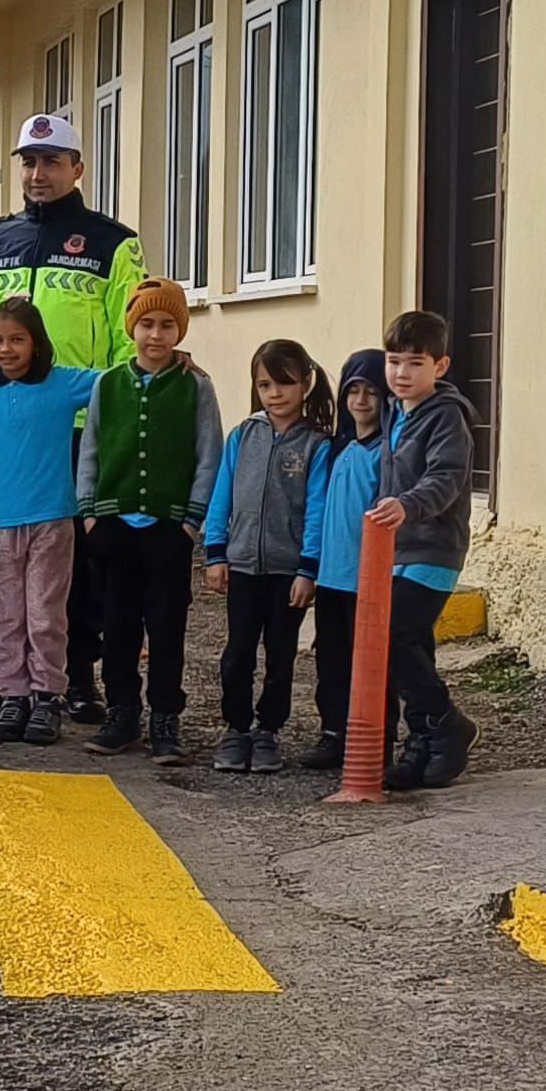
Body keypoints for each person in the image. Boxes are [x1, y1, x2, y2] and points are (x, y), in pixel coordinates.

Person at [0, 113, 144, 724]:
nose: (37, 173)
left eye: (51, 162)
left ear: (77, 169)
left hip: (79, 426)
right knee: (3, 558)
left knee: (74, 568)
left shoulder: (114, 242)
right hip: (5, 423)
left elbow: (127, 334)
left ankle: (74, 679)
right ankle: (8, 680)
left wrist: (129, 405)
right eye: (28, 163)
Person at [78, 278, 221, 764]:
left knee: (166, 627)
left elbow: (208, 454)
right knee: (117, 626)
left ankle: (166, 718)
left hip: (168, 527)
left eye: (165, 325)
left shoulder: (196, 386)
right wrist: (90, 514)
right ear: (132, 328)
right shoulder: (108, 383)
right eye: (146, 324)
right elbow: (91, 449)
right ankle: (122, 712)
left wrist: (191, 521)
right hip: (115, 526)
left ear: (178, 331)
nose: (155, 335)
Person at [205, 340, 335, 775]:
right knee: (237, 652)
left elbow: (317, 509)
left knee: (280, 654)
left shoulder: (317, 446)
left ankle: (268, 732)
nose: (275, 393)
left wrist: (308, 569)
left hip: (287, 572)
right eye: (265, 384)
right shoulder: (242, 436)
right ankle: (236, 729)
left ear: (305, 384)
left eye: (285, 383)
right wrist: (215, 552)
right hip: (242, 565)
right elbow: (221, 493)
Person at [0, 299, 92, 747]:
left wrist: (170, 361)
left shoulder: (63, 385)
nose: (6, 349)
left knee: (44, 615)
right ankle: (12, 694)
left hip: (52, 520)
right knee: (5, 615)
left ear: (37, 343)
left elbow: (122, 381)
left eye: (17, 339)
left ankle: (46, 696)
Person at [372, 310, 482, 790]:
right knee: (412, 645)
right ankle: (422, 744)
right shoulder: (396, 411)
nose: (401, 373)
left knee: (395, 636)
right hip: (397, 548)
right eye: (394, 362)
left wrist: (407, 506)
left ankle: (447, 725)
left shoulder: (447, 416)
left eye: (415, 363)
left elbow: (446, 478)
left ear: (440, 366)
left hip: (434, 549)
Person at [298, 351, 392, 772]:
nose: (361, 400)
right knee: (331, 660)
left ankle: (377, 741)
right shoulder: (335, 448)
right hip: (332, 578)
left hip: (370, 579)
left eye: (371, 391)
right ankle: (333, 732)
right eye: (353, 390)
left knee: (373, 665)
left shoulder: (388, 453)